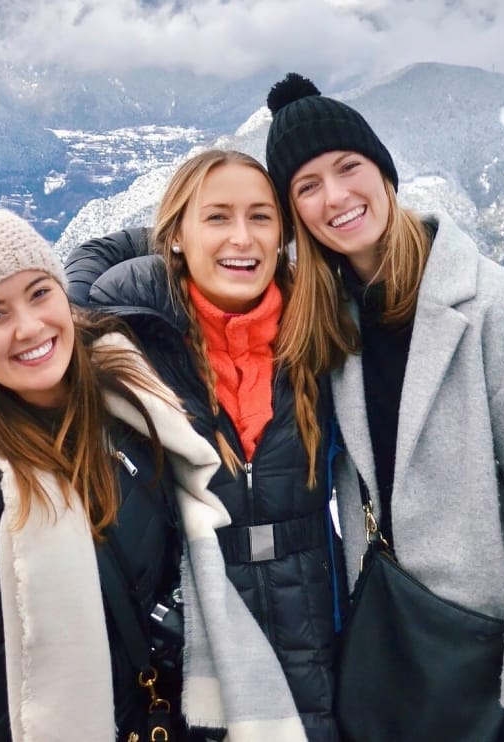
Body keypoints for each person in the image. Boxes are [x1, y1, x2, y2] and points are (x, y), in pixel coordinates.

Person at [263, 73, 504, 741]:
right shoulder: (329, 321)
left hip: (495, 657)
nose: (335, 196)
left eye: (349, 167)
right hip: (396, 650)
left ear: (384, 172)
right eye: (307, 187)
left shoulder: (486, 305)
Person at [0, 199, 306, 742]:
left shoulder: (110, 378)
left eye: (40, 293)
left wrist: (216, 243)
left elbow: (108, 251)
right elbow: (1, 690)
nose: (30, 326)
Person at [65, 149, 343, 741]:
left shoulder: (323, 330)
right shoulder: (132, 343)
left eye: (261, 217)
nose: (241, 238)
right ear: (175, 237)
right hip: (190, 659)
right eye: (216, 217)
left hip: (321, 637)